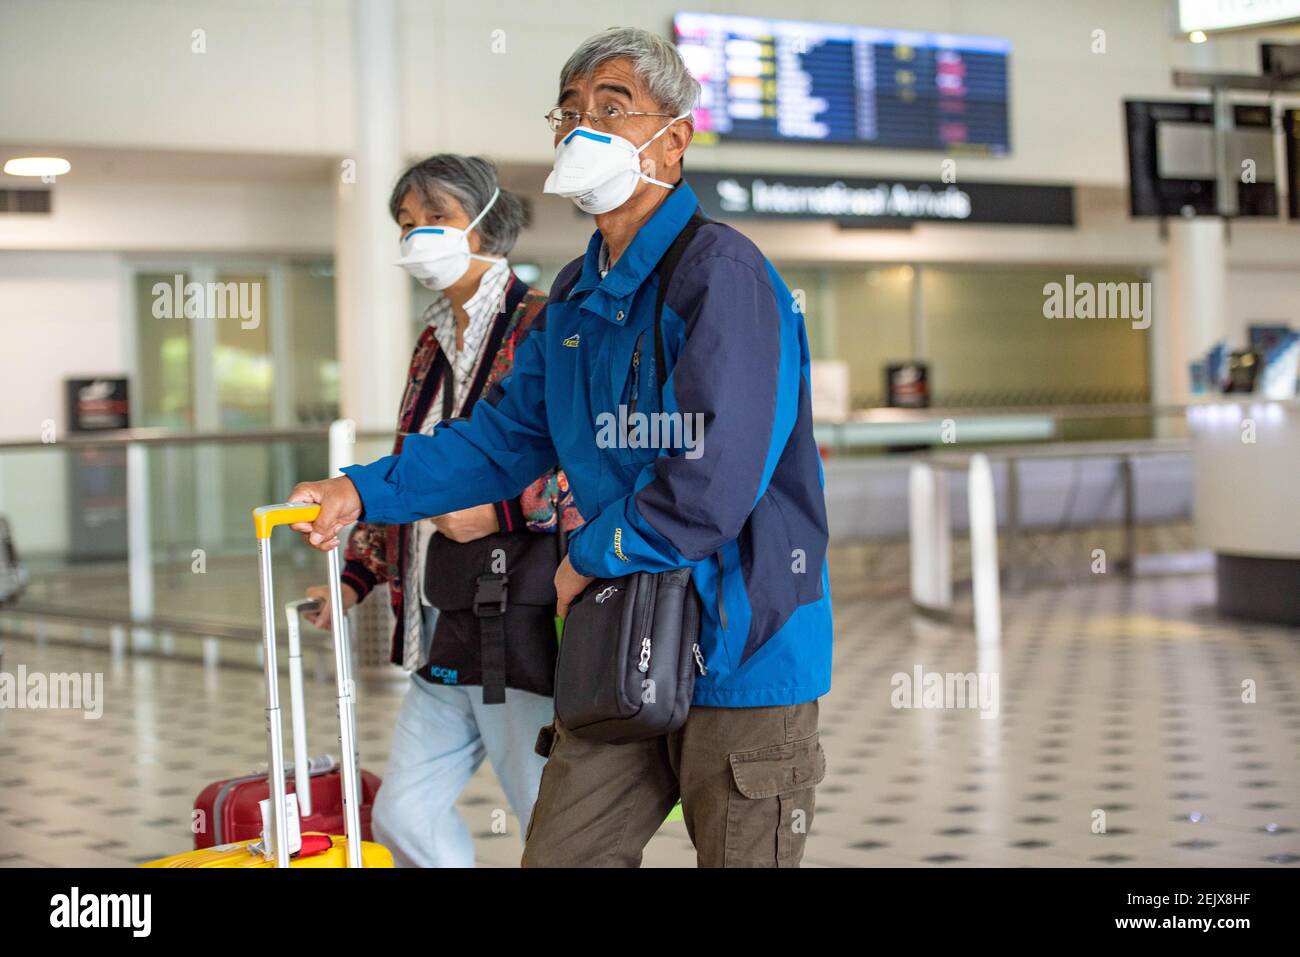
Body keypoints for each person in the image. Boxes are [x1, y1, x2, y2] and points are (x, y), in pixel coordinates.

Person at [290, 27, 832, 868]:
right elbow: (505, 438)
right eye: (570, 112)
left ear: (676, 136)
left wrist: (593, 555)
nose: (583, 129)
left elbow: (712, 480)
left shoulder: (721, 274)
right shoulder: (577, 295)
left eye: (611, 109)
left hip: (740, 643)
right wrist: (364, 491)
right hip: (617, 642)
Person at [304, 154, 580, 867]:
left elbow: (582, 462)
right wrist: (355, 578)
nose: (418, 235)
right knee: (403, 814)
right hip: (436, 620)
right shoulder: (430, 343)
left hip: (518, 623)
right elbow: (412, 467)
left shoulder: (545, 324)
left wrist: (502, 515)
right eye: (407, 223)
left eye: (438, 218)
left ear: (488, 224)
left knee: (546, 823)